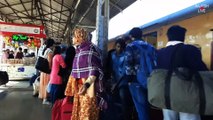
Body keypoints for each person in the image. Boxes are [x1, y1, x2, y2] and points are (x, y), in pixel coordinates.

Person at [156, 25, 208, 120]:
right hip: (187, 94)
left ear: (168, 37)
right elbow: (202, 71)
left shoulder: (159, 53)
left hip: (166, 93)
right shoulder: (191, 50)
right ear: (183, 36)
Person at [65, 28, 104, 120]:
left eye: (74, 36)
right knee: (80, 113)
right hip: (79, 90)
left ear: (79, 37)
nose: (72, 39)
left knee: (87, 114)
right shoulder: (79, 51)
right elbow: (75, 71)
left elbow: (95, 70)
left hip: (89, 89)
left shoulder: (91, 49)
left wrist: (86, 85)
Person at [124, 27, 156, 120]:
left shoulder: (130, 46)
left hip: (136, 81)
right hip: (150, 80)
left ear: (131, 36)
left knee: (141, 108)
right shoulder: (150, 47)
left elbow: (128, 64)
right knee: (148, 107)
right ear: (141, 35)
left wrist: (129, 80)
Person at [110, 38, 134, 120]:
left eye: (121, 47)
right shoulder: (112, 55)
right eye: (117, 46)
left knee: (123, 99)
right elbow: (112, 69)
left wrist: (115, 84)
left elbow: (124, 72)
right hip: (115, 80)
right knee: (113, 100)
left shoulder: (125, 56)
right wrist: (113, 82)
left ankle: (125, 117)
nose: (119, 48)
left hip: (123, 82)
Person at [39, 38, 55, 105]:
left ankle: (43, 97)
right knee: (47, 84)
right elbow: (49, 62)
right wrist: (51, 69)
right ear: (52, 44)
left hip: (43, 70)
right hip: (47, 71)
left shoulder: (45, 50)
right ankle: (45, 99)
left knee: (43, 84)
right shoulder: (50, 51)